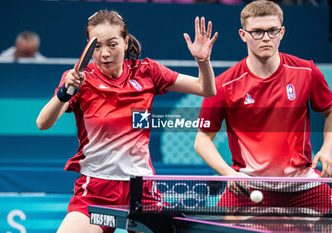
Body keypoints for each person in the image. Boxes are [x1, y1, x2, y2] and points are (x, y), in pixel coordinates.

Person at [36, 9, 218, 233]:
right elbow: (43, 123)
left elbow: (206, 89)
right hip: (96, 190)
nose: (104, 54)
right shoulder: (79, 79)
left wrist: (203, 60)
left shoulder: (148, 72)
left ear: (125, 42)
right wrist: (66, 91)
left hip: (141, 190)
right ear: (88, 48)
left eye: (112, 44)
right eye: (97, 46)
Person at [194, 0, 332, 212]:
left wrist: (327, 150)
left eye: (272, 31)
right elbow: (202, 139)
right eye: (257, 32)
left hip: (304, 185)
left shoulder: (306, 71)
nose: (266, 38)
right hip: (247, 186)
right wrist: (228, 173)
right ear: (243, 35)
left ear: (282, 32)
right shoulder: (223, 85)